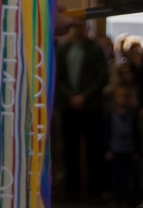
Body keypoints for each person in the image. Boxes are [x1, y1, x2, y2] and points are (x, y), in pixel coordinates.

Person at [57, 22, 111, 202]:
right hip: (69, 105)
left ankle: (95, 189)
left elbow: (101, 76)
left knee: (94, 148)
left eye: (82, 26)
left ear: (87, 28)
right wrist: (70, 96)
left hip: (91, 106)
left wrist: (84, 96)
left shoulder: (96, 49)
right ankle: (72, 189)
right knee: (70, 148)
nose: (79, 30)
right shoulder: (65, 50)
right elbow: (59, 76)